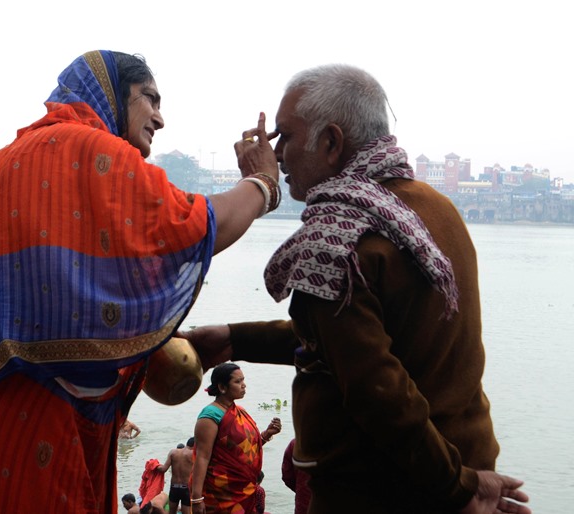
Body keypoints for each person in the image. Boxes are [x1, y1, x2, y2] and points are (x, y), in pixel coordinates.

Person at [0, 50, 280, 514]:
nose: (160, 117)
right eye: (149, 98)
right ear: (112, 94)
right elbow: (190, 228)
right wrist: (262, 182)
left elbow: (59, 299)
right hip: (38, 433)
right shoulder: (95, 152)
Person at [184, 64, 532, 513]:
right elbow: (355, 344)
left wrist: (458, 488)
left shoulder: (334, 239)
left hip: (387, 490)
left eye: (285, 137)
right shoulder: (433, 209)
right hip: (461, 462)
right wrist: (238, 338)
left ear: (330, 142)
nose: (278, 154)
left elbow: (375, 388)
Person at [189, 363, 281, 513]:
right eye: (237, 382)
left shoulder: (240, 411)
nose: (244, 385)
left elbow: (242, 450)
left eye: (243, 380)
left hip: (244, 490)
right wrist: (196, 498)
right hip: (220, 493)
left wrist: (267, 434)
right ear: (222, 387)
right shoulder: (210, 416)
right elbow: (202, 457)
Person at [156, 437, 195, 514]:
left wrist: (154, 465)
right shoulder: (192, 454)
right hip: (186, 488)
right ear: (195, 446)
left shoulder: (173, 452)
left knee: (172, 512)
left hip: (174, 487)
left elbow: (163, 469)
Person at [281, 438, 312, 513]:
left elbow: (287, 476)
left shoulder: (296, 444)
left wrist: (301, 489)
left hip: (304, 504)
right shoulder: (341, 445)